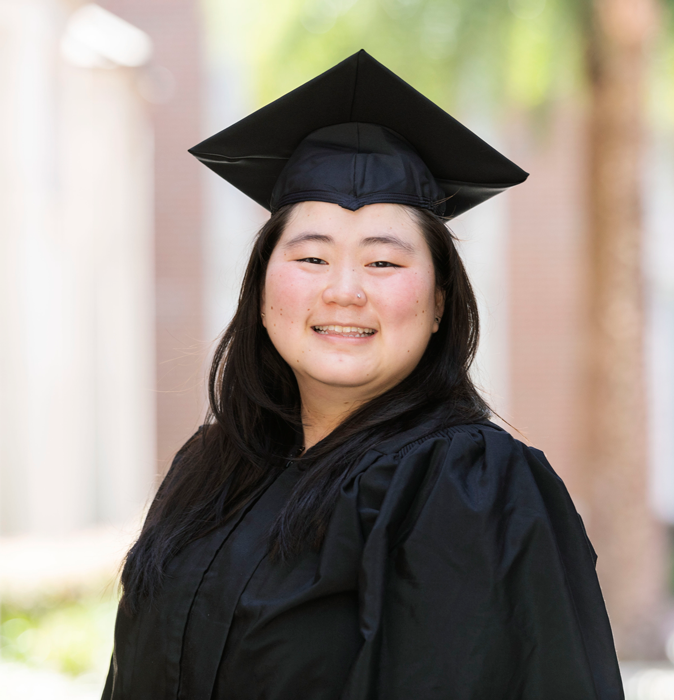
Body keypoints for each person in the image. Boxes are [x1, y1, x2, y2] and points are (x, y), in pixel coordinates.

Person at [102, 50, 624, 700]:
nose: (344, 291)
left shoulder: (469, 485)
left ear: (439, 304)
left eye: (383, 263)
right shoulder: (211, 469)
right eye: (313, 256)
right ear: (262, 292)